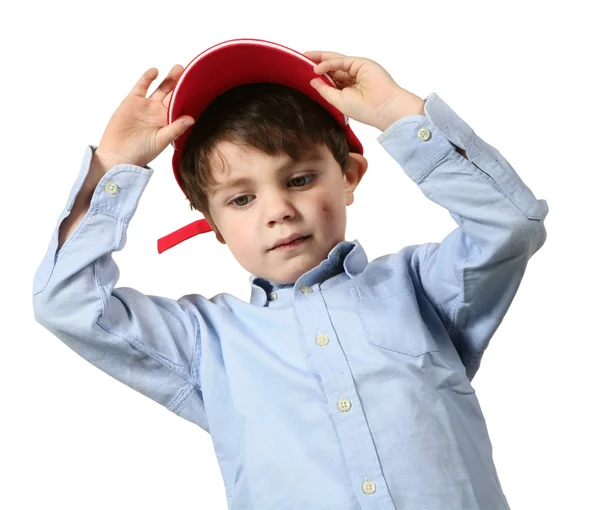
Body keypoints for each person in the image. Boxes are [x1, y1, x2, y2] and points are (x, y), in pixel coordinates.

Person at [32, 39, 548, 509]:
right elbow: (68, 302)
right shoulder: (205, 343)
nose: (277, 210)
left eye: (299, 179)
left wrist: (397, 114)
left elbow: (508, 224)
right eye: (241, 198)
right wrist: (113, 167)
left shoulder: (421, 288)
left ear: (348, 175)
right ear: (213, 224)